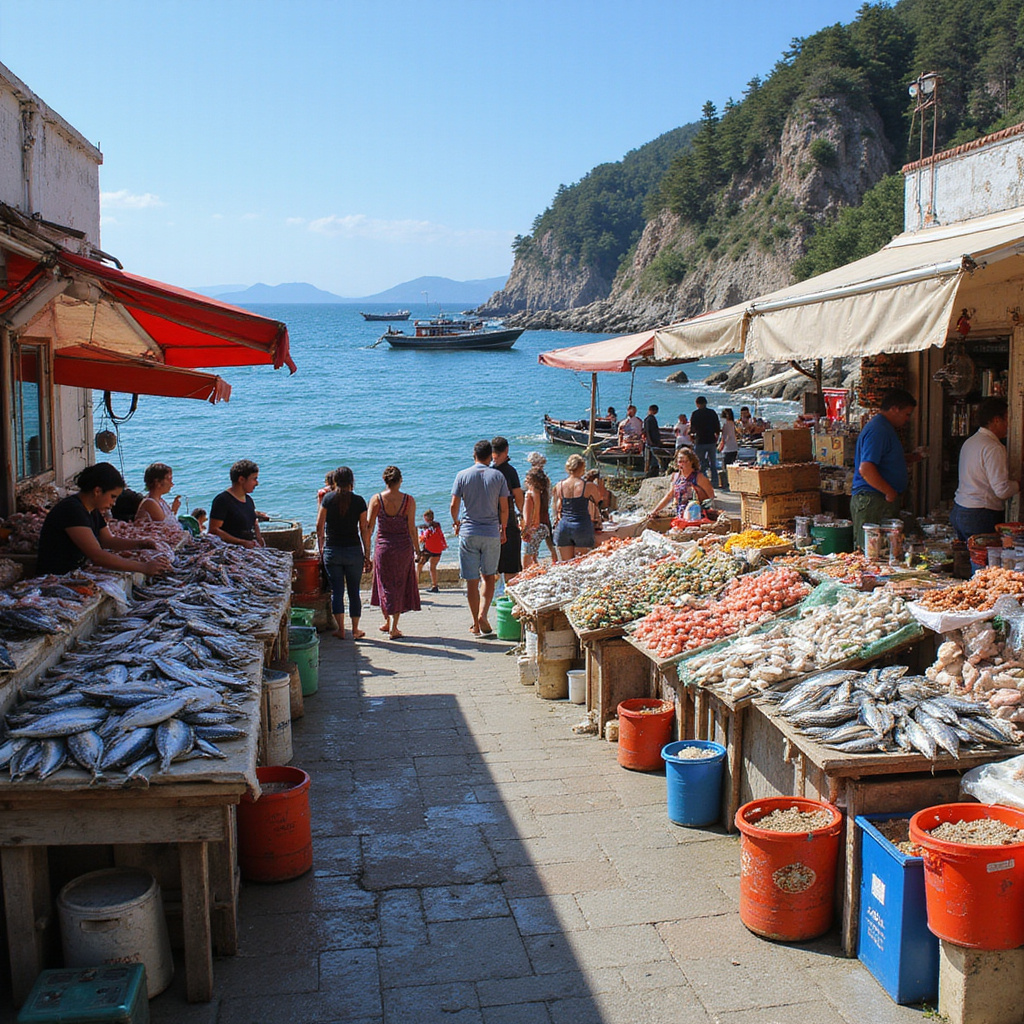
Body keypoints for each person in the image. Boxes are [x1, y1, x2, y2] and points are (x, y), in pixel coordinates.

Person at [36, 463, 173, 577]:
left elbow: (108, 541)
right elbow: (97, 555)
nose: (114, 503)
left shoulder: (92, 511)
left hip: (75, 572)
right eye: (112, 496)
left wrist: (141, 544)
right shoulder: (72, 510)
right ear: (97, 491)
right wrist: (143, 567)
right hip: (55, 576)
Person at [451, 440, 509, 637]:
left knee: (471, 581)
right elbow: (504, 507)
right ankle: (484, 614)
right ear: (490, 455)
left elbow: (454, 505)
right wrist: (504, 529)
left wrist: (456, 523)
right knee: (489, 577)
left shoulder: (462, 475)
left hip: (469, 531)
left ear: (474, 455)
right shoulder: (498, 476)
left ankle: (475, 623)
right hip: (491, 532)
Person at [851, 388, 920, 547]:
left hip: (879, 497)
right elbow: (866, 468)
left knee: (882, 550)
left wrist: (910, 459)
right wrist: (889, 492)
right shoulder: (878, 429)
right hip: (873, 498)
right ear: (895, 409)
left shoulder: (885, 428)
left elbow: (884, 459)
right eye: (907, 414)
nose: (907, 419)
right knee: (871, 550)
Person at [950, 396, 1019, 542]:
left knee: (970, 560)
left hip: (960, 510)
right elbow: (1002, 490)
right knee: (984, 562)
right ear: (996, 420)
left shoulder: (971, 441)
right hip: (980, 514)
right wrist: (1019, 484)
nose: (1009, 424)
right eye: (1007, 418)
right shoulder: (993, 447)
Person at [317, 466, 370, 640]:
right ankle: (355, 630)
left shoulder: (327, 499)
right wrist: (367, 554)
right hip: (354, 551)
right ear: (351, 481)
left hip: (332, 550)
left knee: (337, 591)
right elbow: (364, 529)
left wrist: (321, 548)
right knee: (354, 591)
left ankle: (341, 629)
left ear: (335, 481)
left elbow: (319, 526)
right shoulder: (359, 501)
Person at [367, 466, 421, 639]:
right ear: (400, 481)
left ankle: (388, 622)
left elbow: (369, 526)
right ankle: (394, 626)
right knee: (399, 585)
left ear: (385, 481)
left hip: (383, 547)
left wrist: (366, 550)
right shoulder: (408, 501)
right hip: (403, 547)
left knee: (384, 584)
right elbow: (412, 529)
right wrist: (418, 550)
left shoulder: (376, 499)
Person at [552, 454, 602, 560]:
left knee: (566, 564)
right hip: (582, 526)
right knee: (581, 563)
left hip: (563, 527)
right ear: (582, 468)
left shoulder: (559, 486)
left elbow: (556, 508)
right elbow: (598, 501)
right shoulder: (588, 486)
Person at [209, 459, 265, 548]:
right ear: (241, 479)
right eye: (254, 479)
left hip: (250, 547)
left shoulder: (248, 500)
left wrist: (259, 538)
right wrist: (241, 542)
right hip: (231, 549)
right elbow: (214, 530)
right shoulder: (222, 500)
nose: (257, 483)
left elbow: (254, 522)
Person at [491, 436, 523, 586]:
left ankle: (493, 598)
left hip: (490, 522)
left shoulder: (489, 472)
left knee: (492, 566)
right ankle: (509, 598)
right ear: (507, 450)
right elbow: (518, 496)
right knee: (511, 565)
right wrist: (523, 515)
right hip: (508, 521)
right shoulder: (510, 472)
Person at [649, 448, 716, 519]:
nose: (681, 464)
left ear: (691, 462)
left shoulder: (699, 477)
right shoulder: (676, 477)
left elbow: (710, 497)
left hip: (696, 514)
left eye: (684, 461)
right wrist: (655, 510)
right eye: (679, 462)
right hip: (680, 514)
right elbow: (669, 496)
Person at [526, 451, 558, 563]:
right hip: (545, 511)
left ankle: (535, 562)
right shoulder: (546, 479)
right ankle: (555, 560)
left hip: (537, 512)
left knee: (533, 543)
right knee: (549, 540)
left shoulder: (535, 480)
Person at [521, 465, 552, 570]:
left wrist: (528, 529)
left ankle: (526, 574)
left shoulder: (532, 492)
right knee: (533, 554)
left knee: (527, 554)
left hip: (535, 526)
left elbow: (534, 511)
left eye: (528, 477)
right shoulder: (543, 492)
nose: (525, 479)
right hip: (543, 526)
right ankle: (535, 571)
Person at [136, 462, 183, 528]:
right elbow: (167, 527)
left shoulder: (159, 501)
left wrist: (174, 510)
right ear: (157, 482)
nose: (172, 484)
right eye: (169, 479)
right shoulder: (150, 503)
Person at [689, 396, 721, 487]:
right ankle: (715, 482)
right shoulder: (712, 413)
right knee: (713, 463)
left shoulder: (695, 414)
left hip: (700, 441)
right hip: (711, 440)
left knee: (700, 462)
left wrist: (691, 434)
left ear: (697, 404)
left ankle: (703, 481)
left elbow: (692, 428)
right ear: (706, 403)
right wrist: (716, 437)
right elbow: (717, 426)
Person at [417, 509, 447, 592]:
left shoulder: (428, 528)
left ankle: (415, 585)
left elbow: (423, 539)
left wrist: (420, 536)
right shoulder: (437, 526)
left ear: (425, 517)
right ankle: (435, 586)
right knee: (433, 567)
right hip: (438, 549)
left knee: (419, 566)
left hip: (428, 550)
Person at [718, 408, 739, 490]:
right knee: (733, 467)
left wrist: (720, 447)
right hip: (734, 447)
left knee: (725, 468)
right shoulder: (733, 423)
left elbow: (724, 437)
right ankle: (734, 483)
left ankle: (727, 484)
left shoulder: (724, 424)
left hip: (727, 448)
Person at [642, 404, 662, 476]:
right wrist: (650, 441)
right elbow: (647, 431)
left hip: (653, 441)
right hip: (652, 442)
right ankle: (649, 471)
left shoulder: (650, 418)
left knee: (653, 458)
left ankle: (652, 470)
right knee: (651, 457)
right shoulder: (649, 419)